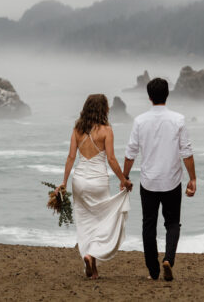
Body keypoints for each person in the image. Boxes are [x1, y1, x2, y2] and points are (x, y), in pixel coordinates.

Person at [122, 77, 196, 282]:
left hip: (149, 182)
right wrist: (193, 179)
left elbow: (130, 153)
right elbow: (187, 153)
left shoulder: (140, 121)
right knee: (172, 223)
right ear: (167, 95)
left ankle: (153, 270)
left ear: (149, 97)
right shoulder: (178, 120)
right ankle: (168, 260)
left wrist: (125, 176)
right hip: (171, 180)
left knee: (149, 225)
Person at [58, 93, 132, 279]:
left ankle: (89, 260)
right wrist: (123, 180)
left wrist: (64, 183)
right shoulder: (106, 130)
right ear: (103, 109)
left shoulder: (77, 129)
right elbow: (111, 159)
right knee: (102, 221)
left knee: (84, 223)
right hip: (98, 181)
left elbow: (70, 157)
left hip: (79, 181)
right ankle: (92, 256)